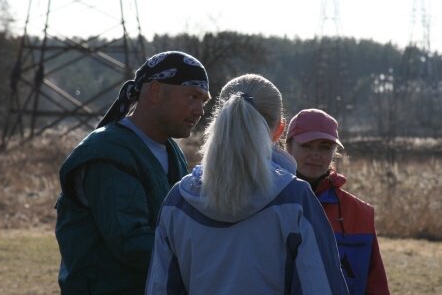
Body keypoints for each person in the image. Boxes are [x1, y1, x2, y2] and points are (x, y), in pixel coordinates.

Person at [145, 74, 349, 295]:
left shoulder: (178, 201)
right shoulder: (296, 199)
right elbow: (320, 287)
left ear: (219, 123)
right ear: (279, 130)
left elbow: (160, 287)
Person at [54, 51, 211, 295]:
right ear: (156, 91)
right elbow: (131, 242)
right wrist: (210, 258)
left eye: (204, 101)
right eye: (192, 97)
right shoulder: (108, 153)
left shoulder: (172, 152)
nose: (200, 110)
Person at [285, 108, 390, 295]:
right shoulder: (269, 203)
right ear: (288, 147)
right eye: (307, 145)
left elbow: (376, 285)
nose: (315, 155)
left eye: (325, 147)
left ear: (334, 152)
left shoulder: (360, 213)